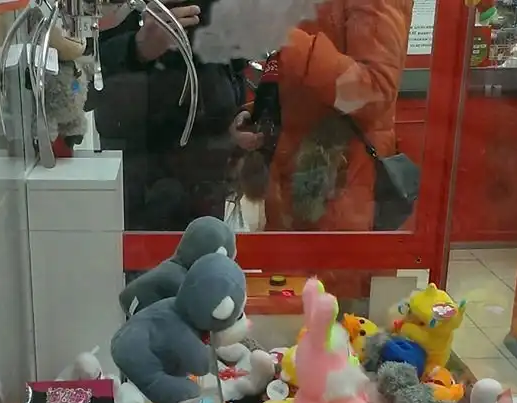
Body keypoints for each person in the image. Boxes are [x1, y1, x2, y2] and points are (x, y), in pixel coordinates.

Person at [230, 0, 414, 234]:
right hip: (294, 179)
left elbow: (373, 93)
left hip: (342, 187)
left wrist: (289, 43)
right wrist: (262, 112)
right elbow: (306, 85)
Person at [89, 0, 246, 231]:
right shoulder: (119, 11)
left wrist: (238, 120)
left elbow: (234, 69)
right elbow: (83, 77)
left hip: (207, 172)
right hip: (137, 175)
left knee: (204, 245)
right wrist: (136, 49)